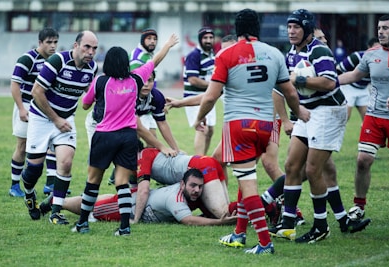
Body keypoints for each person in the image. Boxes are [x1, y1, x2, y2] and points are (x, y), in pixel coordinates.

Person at [194, 8, 310, 255]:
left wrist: (199, 118)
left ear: (237, 30)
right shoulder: (274, 53)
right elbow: (289, 92)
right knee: (245, 178)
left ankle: (265, 243)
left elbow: (211, 96)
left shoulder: (226, 55)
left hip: (239, 126)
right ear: (257, 28)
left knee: (248, 186)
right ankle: (238, 233)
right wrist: (299, 113)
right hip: (266, 127)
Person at [269, 9, 371, 244]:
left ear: (306, 29)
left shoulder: (319, 50)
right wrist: (286, 118)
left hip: (329, 113)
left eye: (296, 27)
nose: (291, 31)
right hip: (308, 114)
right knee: (292, 165)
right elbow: (281, 88)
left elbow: (329, 81)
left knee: (314, 170)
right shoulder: (291, 54)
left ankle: (321, 226)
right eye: (289, 27)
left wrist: (300, 79)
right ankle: (287, 223)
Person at [71, 34, 179, 236]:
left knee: (93, 181)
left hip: (104, 136)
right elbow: (155, 60)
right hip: (128, 137)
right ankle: (124, 227)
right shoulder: (137, 79)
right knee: (122, 182)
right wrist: (167, 45)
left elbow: (85, 104)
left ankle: (82, 224)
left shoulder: (100, 81)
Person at [21, 31, 99, 225]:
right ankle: (29, 195)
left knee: (65, 163)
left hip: (66, 120)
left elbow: (88, 94)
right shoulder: (58, 61)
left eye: (94, 48)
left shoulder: (93, 68)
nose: (91, 52)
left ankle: (55, 212)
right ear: (76, 45)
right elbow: (36, 92)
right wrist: (55, 119)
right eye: (87, 47)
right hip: (41, 118)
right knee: (34, 170)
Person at [338, 15, 389, 221]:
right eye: (379, 28)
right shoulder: (370, 54)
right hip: (374, 116)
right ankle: (358, 206)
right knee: (363, 160)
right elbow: (354, 75)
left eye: (386, 28)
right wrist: (329, 81)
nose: (381, 32)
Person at [41, 169, 236, 226]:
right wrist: (220, 222)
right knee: (95, 207)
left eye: (200, 187)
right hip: (132, 206)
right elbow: (188, 220)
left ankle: (57, 200)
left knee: (105, 198)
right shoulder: (175, 198)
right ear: (183, 184)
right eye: (193, 186)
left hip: (139, 196)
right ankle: (58, 202)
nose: (197, 190)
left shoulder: (189, 191)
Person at [9, 28, 59, 198]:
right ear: (40, 43)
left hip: (45, 108)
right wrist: (22, 109)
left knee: (52, 144)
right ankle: (15, 185)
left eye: (55, 42)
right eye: (49, 42)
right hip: (27, 106)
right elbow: (15, 85)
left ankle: (50, 185)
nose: (53, 46)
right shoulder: (27, 59)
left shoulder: (56, 60)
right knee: (22, 146)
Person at [133, 147, 235, 223]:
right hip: (206, 162)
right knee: (227, 212)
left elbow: (143, 190)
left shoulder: (142, 157)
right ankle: (247, 208)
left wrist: (136, 219)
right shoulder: (153, 151)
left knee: (223, 213)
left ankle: (248, 204)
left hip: (202, 167)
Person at [183, 27, 216, 155]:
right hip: (194, 98)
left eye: (210, 38)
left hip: (207, 97)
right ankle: (199, 162)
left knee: (211, 130)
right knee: (202, 129)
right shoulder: (194, 55)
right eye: (205, 38)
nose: (208, 40)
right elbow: (193, 80)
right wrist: (214, 86)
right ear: (200, 39)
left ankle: (203, 159)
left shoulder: (212, 54)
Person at [337, 37, 379, 121]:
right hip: (349, 87)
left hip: (363, 89)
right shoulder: (357, 56)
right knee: (345, 117)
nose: (377, 51)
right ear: (368, 47)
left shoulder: (381, 62)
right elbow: (339, 69)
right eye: (375, 48)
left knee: (368, 119)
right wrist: (336, 86)